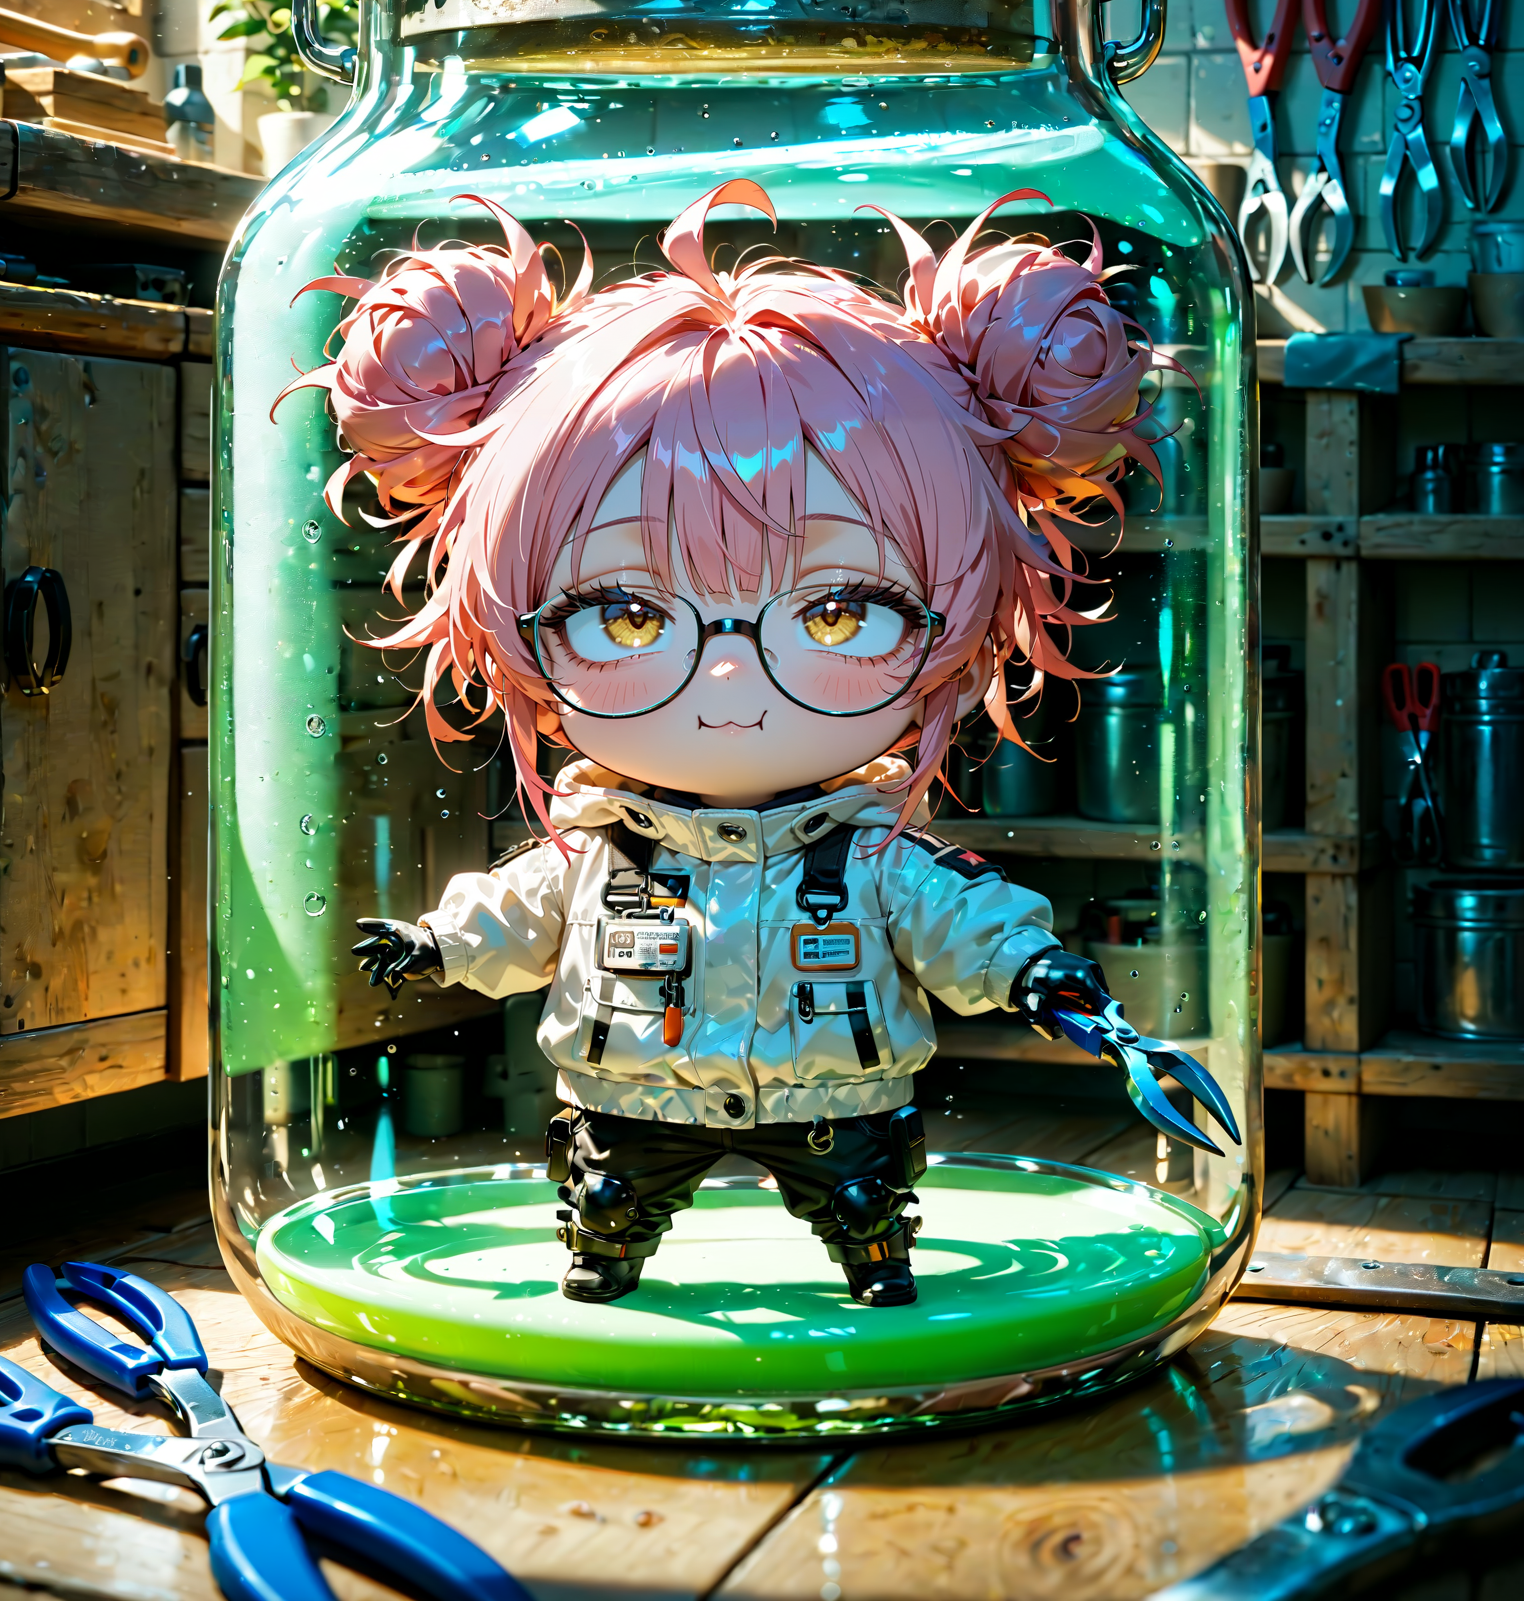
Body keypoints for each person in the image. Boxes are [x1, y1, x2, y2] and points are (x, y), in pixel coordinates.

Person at [282, 178, 1165, 1308]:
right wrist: (435, 944)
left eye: (838, 614)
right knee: (609, 1211)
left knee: (864, 1212)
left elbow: (961, 922)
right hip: (631, 1099)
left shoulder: (871, 855)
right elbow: (517, 912)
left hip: (836, 1102)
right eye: (626, 616)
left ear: (951, 620)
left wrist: (1035, 970)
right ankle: (609, 1254)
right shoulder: (600, 848)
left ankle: (868, 1255)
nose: (731, 680)